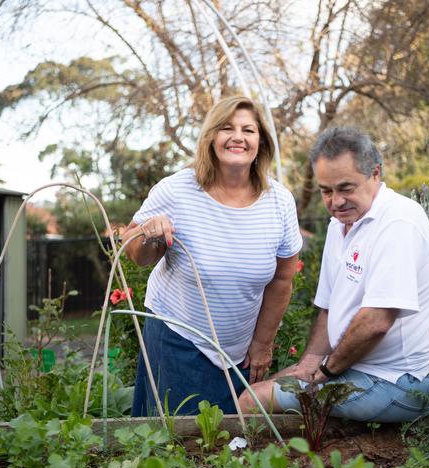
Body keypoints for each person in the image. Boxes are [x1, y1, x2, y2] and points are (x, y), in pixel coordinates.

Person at [239, 127, 429, 423]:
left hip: (399, 383)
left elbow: (376, 322)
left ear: (375, 174)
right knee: (257, 387)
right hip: (357, 368)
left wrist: (325, 372)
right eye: (326, 190)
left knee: (250, 401)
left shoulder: (398, 222)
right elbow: (329, 309)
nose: (335, 202)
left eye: (346, 188)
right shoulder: (341, 224)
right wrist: (309, 361)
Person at [122, 96, 302, 416]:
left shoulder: (279, 201)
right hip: (178, 337)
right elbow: (135, 253)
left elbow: (283, 278)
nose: (237, 137)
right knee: (181, 444)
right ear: (211, 138)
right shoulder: (177, 190)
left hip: (240, 349)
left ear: (260, 142)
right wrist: (149, 234)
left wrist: (262, 344)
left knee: (230, 444)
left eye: (248, 129)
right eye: (226, 128)